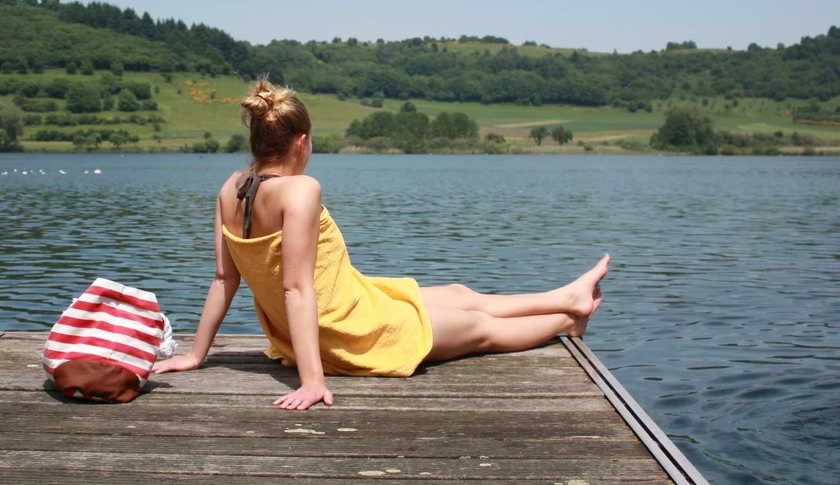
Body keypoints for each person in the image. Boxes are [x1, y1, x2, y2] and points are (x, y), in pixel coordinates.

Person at [153, 80, 608, 410]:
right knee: (477, 328)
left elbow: (223, 280)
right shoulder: (300, 190)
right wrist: (313, 380)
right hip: (349, 331)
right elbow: (296, 288)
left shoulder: (230, 188)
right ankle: (566, 321)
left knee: (459, 294)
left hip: (349, 304)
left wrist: (196, 355)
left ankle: (567, 297)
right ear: (301, 142)